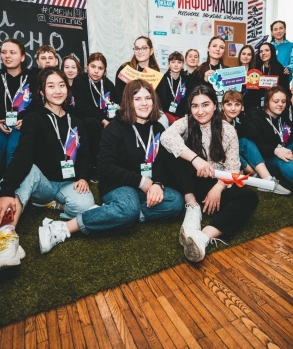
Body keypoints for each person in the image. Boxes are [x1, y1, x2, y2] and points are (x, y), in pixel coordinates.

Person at [37, 79, 184, 254]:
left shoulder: (158, 127)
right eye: (137, 99)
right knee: (129, 208)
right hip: (118, 185)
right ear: (128, 102)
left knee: (175, 201)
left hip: (146, 187)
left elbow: (161, 163)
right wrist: (140, 181)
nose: (144, 103)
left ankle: (118, 215)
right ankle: (61, 227)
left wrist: (158, 184)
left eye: (148, 98)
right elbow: (105, 167)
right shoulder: (115, 127)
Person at [0, 68, 96, 272]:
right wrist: (6, 191)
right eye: (51, 86)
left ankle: (52, 204)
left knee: (86, 207)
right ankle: (6, 238)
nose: (57, 90)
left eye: (62, 85)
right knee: (27, 171)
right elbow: (23, 155)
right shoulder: (34, 118)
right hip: (42, 181)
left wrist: (84, 177)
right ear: (41, 91)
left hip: (68, 183)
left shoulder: (76, 121)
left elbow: (85, 154)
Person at [160, 84, 259, 262]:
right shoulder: (186, 122)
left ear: (215, 105)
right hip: (188, 181)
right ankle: (193, 207)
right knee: (170, 149)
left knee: (250, 197)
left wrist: (219, 188)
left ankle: (202, 237)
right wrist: (195, 159)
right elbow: (166, 137)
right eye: (195, 106)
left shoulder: (227, 130)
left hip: (214, 182)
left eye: (205, 105)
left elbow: (233, 168)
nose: (200, 111)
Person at [0, 38, 37, 216]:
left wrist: (27, 120)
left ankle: (13, 191)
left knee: (15, 147)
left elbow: (39, 106)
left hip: (22, 125)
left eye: (12, 52)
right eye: (4, 52)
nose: (7, 56)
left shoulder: (33, 80)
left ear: (22, 57)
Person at [221, 90, 290, 195]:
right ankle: (263, 179)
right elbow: (222, 150)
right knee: (242, 143)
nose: (233, 108)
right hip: (220, 158)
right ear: (222, 106)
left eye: (237, 105)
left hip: (236, 155)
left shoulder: (239, 121)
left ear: (242, 107)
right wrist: (246, 167)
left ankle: (267, 180)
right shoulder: (218, 123)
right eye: (229, 105)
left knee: (245, 141)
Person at [73, 52, 121, 174]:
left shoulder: (107, 83)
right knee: (93, 124)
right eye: (93, 66)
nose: (96, 71)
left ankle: (114, 165)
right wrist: (103, 120)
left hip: (105, 118)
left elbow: (116, 101)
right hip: (85, 117)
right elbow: (83, 106)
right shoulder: (79, 80)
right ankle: (93, 167)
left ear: (104, 70)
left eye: (100, 68)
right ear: (87, 66)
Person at [243, 42, 290, 115]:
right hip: (255, 108)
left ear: (272, 52)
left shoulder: (281, 70)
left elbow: (286, 92)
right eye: (261, 51)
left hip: (275, 108)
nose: (263, 53)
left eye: (266, 50)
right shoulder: (254, 69)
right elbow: (250, 92)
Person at [156, 51, 194, 123]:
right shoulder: (162, 79)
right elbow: (159, 101)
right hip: (165, 116)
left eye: (179, 62)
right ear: (168, 64)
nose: (176, 65)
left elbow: (189, 99)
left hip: (182, 116)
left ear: (182, 65)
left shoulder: (187, 79)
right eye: (173, 62)